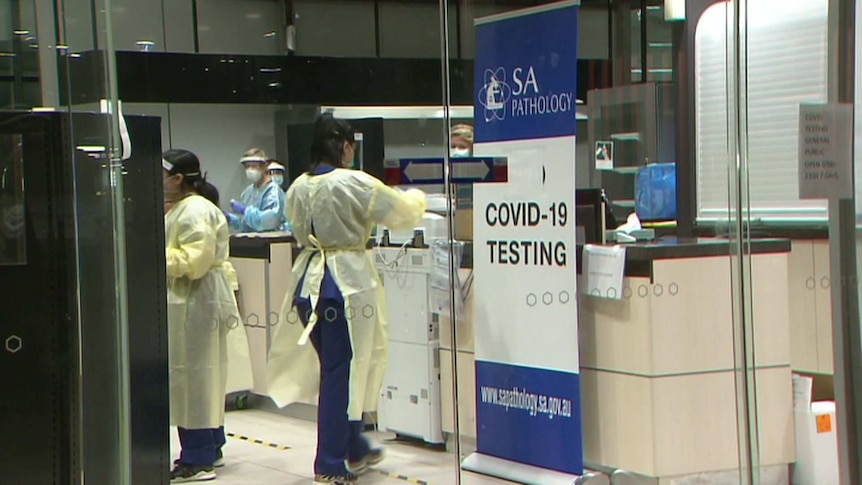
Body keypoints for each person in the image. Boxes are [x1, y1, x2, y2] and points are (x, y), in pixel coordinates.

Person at [267, 114, 426, 485]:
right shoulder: (354, 182)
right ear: (346, 147)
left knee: (340, 370)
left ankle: (353, 446)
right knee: (343, 371)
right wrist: (419, 196)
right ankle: (330, 461)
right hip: (344, 285)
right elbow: (401, 214)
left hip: (308, 285)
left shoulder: (298, 188)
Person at [163, 149, 252, 483]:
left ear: (178, 178)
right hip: (195, 300)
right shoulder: (187, 209)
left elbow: (194, 262)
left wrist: (153, 253)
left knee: (195, 379)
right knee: (204, 375)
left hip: (197, 300)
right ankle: (210, 445)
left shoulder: (194, 212)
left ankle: (198, 458)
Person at [226, 148, 283, 233]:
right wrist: (230, 219)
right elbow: (247, 224)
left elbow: (269, 221)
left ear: (265, 166)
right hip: (253, 243)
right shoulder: (248, 192)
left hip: (272, 243)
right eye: (247, 166)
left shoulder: (273, 192)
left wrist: (245, 210)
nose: (250, 170)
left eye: (254, 166)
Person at [267, 160, 291, 231]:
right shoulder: (264, 196)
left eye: (279, 172)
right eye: (273, 172)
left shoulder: (285, 195)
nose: (277, 175)